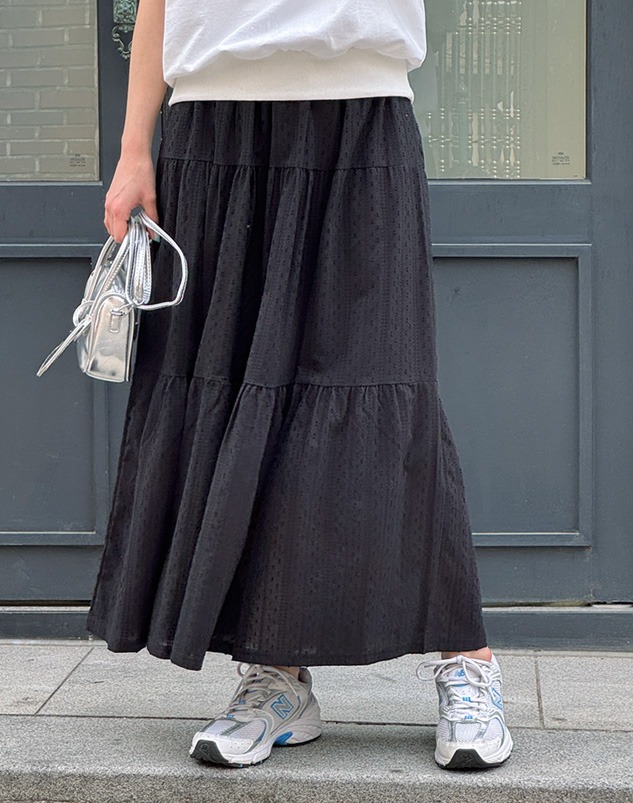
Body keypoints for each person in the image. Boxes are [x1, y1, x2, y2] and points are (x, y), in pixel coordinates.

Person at [88, 0, 514, 771]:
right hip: (212, 123)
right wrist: (132, 148)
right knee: (239, 398)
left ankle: (467, 658)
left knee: (383, 388)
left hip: (359, 109)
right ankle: (276, 675)